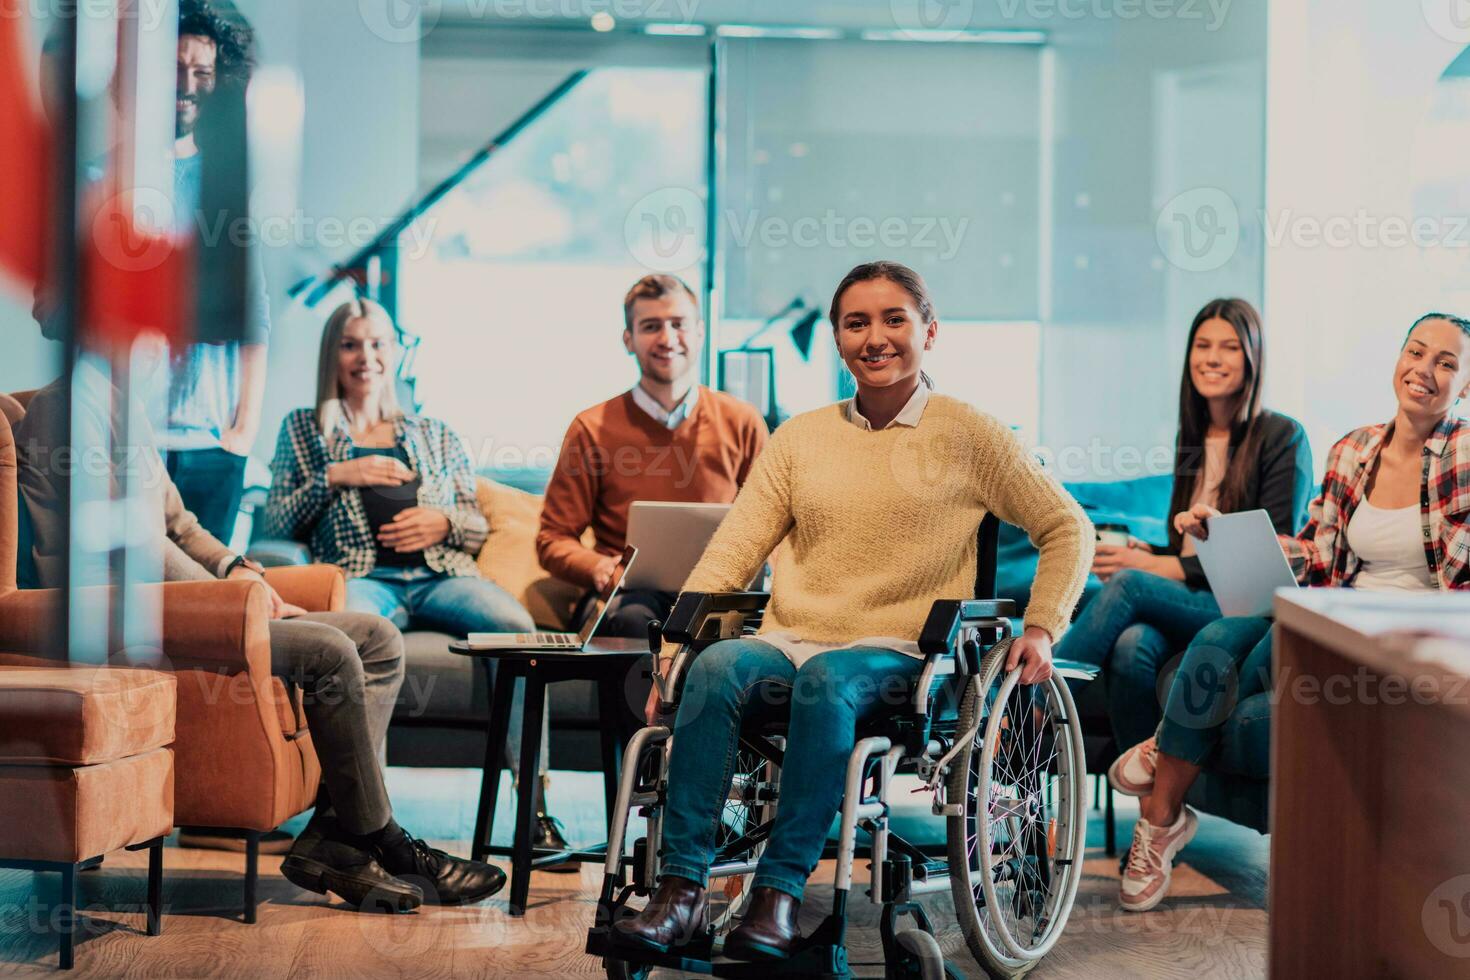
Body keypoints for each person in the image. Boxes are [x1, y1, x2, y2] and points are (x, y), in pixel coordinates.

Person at [611, 261, 1094, 960]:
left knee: (828, 680)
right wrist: (675, 648)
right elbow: (733, 550)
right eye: (856, 322)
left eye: (894, 319)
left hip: (900, 655)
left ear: (929, 331)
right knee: (716, 667)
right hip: (791, 639)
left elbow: (1067, 527)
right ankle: (682, 892)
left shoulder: (972, 435)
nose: (876, 337)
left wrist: (1043, 624)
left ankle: (778, 898)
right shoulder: (801, 438)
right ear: (838, 340)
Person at [14, 336, 507, 912]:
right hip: (117, 616)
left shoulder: (125, 407)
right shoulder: (67, 408)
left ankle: (338, 837)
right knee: (329, 651)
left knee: (376, 638)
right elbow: (133, 545)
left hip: (166, 600)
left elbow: (180, 524)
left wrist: (241, 568)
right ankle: (384, 840)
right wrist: (232, 599)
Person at [1108, 312, 1470, 913]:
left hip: (1401, 637)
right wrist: (1227, 536)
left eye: (1447, 363)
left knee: (1282, 640)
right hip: (1333, 608)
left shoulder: (1462, 454)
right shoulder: (1354, 450)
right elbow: (1316, 550)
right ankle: (1162, 820)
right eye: (1416, 352)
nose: (1424, 370)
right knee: (1225, 631)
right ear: (1398, 359)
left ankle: (1164, 753)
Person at [260, 298, 573, 857]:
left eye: (377, 343)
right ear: (333, 354)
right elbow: (275, 521)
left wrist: (443, 521)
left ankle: (535, 807)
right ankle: (362, 819)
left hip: (440, 577)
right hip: (363, 577)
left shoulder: (434, 432)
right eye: (352, 344)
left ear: (395, 351)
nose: (366, 357)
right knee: (345, 641)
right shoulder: (304, 429)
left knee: (517, 627)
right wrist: (336, 475)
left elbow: (476, 527)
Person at [1053, 299, 1313, 748]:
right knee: (1133, 644)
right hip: (1192, 597)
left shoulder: (1282, 436)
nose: (1212, 358)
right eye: (1203, 345)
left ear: (1252, 357)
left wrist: (1149, 568)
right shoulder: (1191, 438)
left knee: (1129, 585)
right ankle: (1150, 795)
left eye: (1229, 347)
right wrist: (1149, 552)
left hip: (1245, 610)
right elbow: (1188, 550)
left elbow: (1273, 556)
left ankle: (1031, 714)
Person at [537, 274, 768, 638]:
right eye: (650, 326)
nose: (667, 338)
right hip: (630, 596)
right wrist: (598, 567)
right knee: (634, 622)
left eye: (679, 324)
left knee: (741, 635)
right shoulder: (591, 427)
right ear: (629, 340)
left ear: (700, 333)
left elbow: (770, 524)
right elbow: (552, 540)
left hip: (718, 590)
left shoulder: (742, 421)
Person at [159, 0, 272, 544]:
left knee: (208, 613)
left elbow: (256, 315)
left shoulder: (228, 180)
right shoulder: (104, 174)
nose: (186, 85)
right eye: (174, 69)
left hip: (213, 444)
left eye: (201, 73)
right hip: (126, 442)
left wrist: (243, 432)